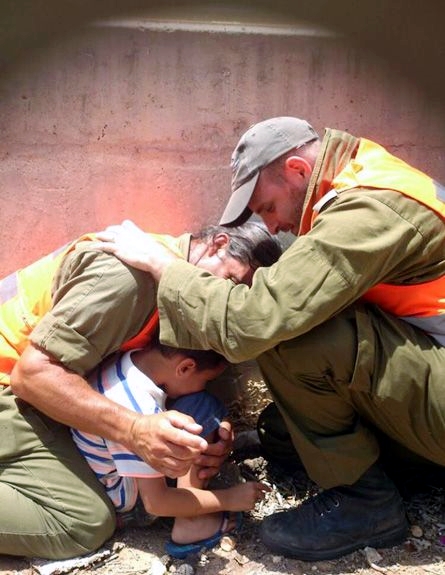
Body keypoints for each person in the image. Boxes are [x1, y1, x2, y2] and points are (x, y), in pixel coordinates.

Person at [94, 116, 445, 562]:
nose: (272, 227)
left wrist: (166, 268)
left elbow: (256, 322)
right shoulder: (360, 176)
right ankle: (402, 468)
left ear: (298, 170)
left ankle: (367, 505)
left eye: (266, 208)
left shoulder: (370, 210)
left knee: (289, 334)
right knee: (283, 433)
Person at [0, 221, 282, 559]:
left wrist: (213, 433)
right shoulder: (129, 281)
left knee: (200, 406)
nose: (221, 303)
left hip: (42, 389)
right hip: (13, 392)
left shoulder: (176, 292)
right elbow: (32, 376)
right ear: (217, 245)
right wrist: (134, 430)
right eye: (231, 284)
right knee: (85, 521)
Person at [73, 335, 268, 559]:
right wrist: (229, 499)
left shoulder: (122, 362)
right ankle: (192, 524)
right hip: (134, 504)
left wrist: (220, 421)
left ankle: (191, 504)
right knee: (203, 407)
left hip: (110, 477)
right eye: (206, 380)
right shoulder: (139, 409)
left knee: (204, 405)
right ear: (185, 368)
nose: (203, 386)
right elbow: (156, 503)